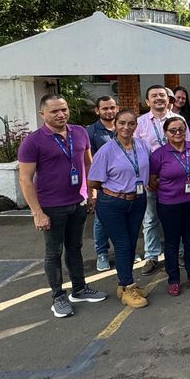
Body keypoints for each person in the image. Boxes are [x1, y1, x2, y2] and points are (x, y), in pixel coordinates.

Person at [18, 95, 107, 318]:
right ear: (43, 115)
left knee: (75, 248)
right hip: (51, 207)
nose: (61, 114)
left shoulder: (79, 132)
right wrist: (37, 212)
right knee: (53, 253)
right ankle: (58, 296)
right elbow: (25, 179)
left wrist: (92, 193)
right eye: (54, 111)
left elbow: (88, 165)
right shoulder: (33, 141)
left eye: (64, 109)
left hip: (77, 202)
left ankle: (79, 288)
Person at [87, 109, 149, 309]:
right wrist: (116, 190)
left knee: (131, 243)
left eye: (131, 123)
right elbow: (93, 181)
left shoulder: (142, 145)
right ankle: (129, 286)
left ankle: (124, 284)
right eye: (122, 123)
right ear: (115, 124)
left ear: (136, 126)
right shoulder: (107, 150)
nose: (126, 127)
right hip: (113, 203)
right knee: (122, 244)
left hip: (138, 200)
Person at [134, 84, 190, 276]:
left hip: (177, 178)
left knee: (179, 217)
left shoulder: (179, 119)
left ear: (168, 100)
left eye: (162, 95)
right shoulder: (140, 122)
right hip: (152, 179)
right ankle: (152, 255)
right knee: (150, 219)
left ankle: (180, 252)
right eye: (154, 96)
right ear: (147, 101)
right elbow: (136, 151)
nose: (159, 98)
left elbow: (188, 146)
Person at [149, 116, 190, 297]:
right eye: (172, 130)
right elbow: (152, 181)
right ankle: (173, 279)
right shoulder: (159, 154)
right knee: (172, 242)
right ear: (166, 133)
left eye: (181, 129)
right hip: (169, 204)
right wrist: (171, 190)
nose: (177, 133)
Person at [86, 96, 118, 272]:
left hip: (123, 183)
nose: (109, 111)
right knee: (101, 221)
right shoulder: (91, 132)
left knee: (123, 221)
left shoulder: (123, 128)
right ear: (97, 110)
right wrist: (93, 191)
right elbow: (89, 163)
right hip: (103, 185)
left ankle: (124, 251)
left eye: (112, 107)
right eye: (105, 108)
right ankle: (102, 254)